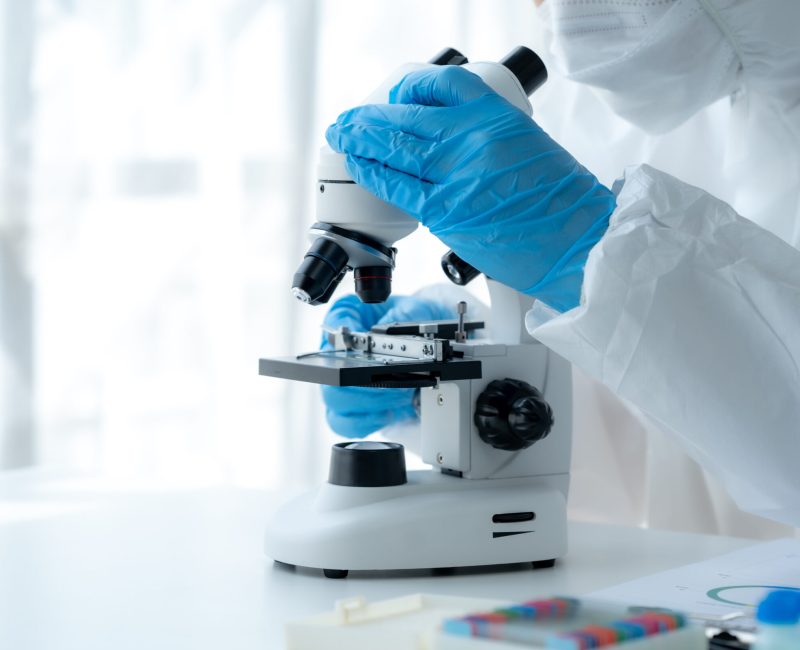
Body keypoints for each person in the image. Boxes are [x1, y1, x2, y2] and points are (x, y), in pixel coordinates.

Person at [321, 0, 800, 534]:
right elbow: (653, 429)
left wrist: (608, 262)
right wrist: (464, 377)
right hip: (714, 589)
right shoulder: (645, 115)